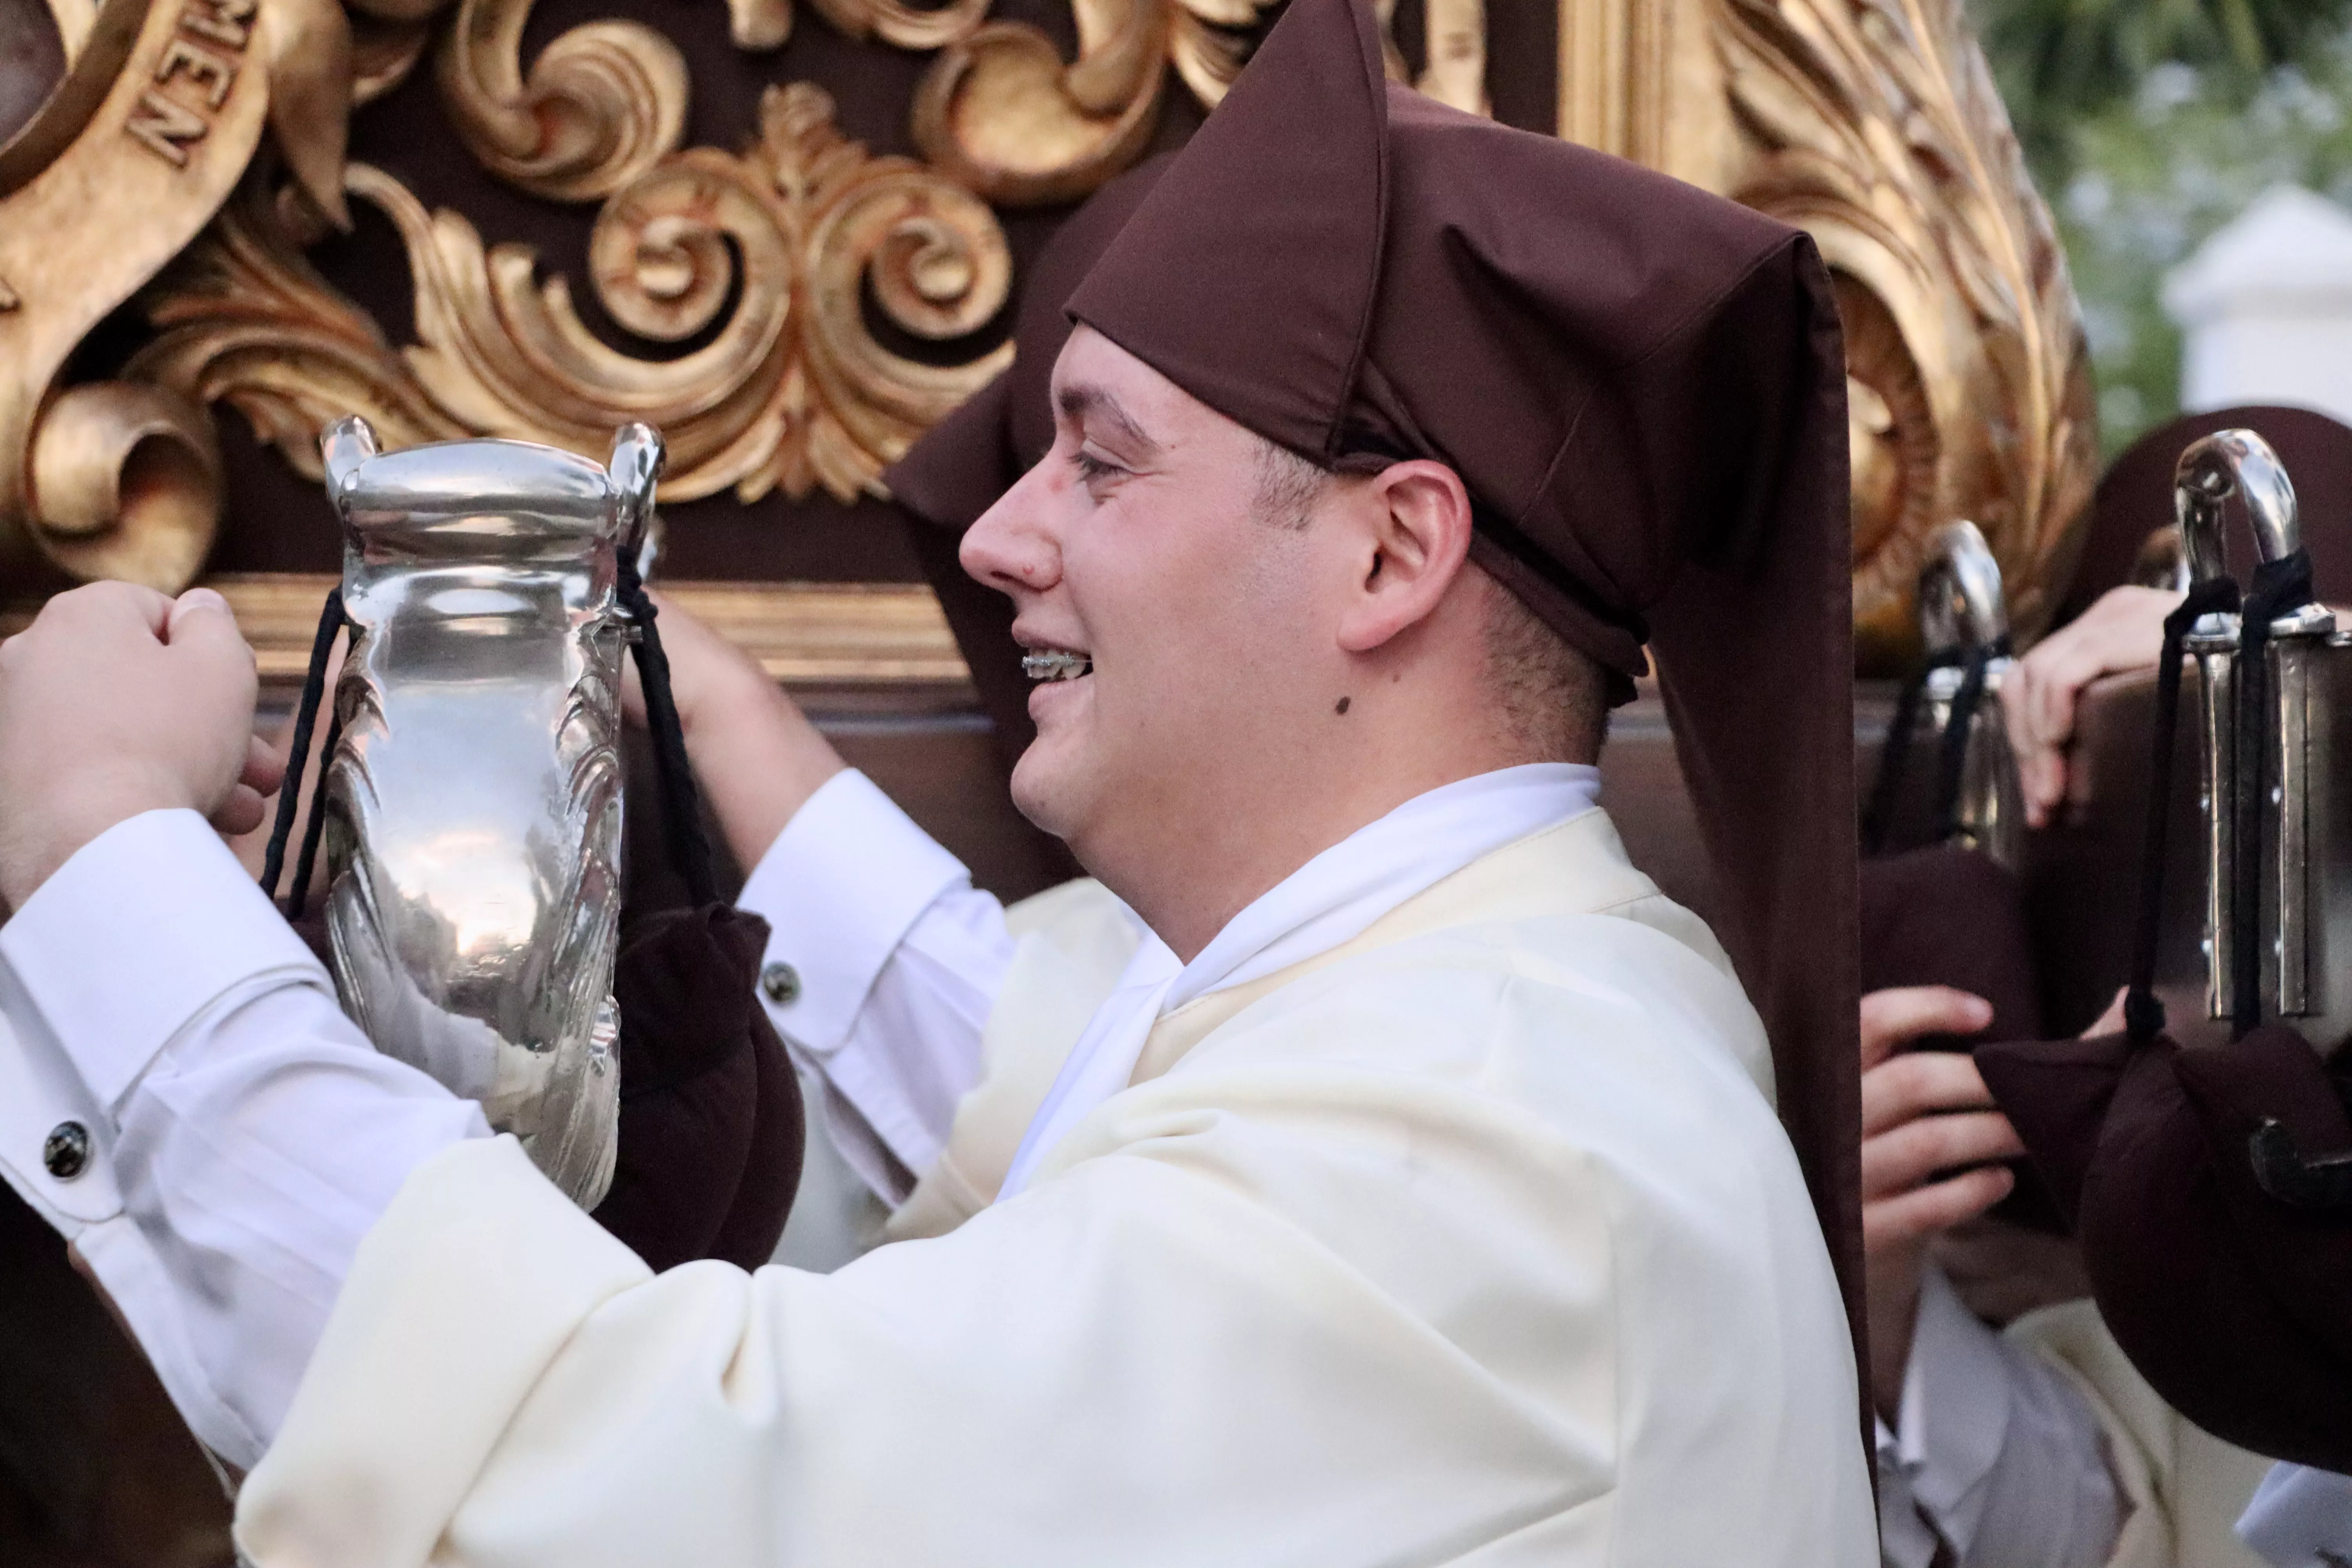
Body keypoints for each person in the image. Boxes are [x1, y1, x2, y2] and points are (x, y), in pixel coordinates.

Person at [0, 0, 1877, 1559]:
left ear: (1388, 558)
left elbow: (649, 1481)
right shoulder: (1442, 1015)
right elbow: (906, 1278)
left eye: (1102, 462)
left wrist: (101, 846)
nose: (996, 538)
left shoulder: (1499, 1146)